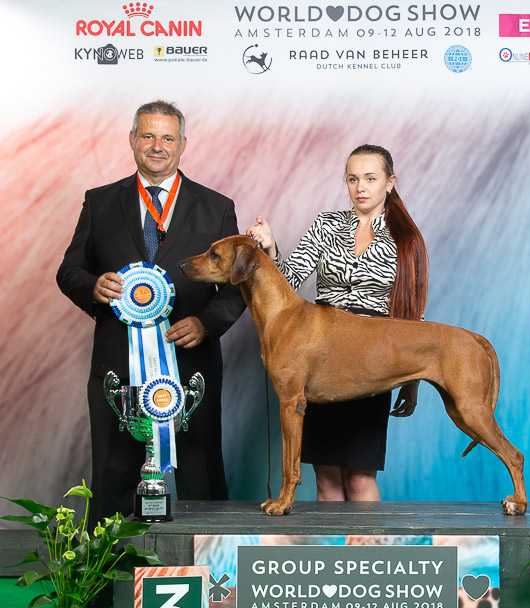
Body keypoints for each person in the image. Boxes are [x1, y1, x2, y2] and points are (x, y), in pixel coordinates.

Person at [57, 100, 246, 525]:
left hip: (192, 371)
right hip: (117, 372)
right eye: (147, 136)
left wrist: (207, 323)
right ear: (132, 140)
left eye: (167, 137)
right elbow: (68, 271)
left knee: (201, 480)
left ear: (183, 144)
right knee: (112, 482)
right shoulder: (99, 202)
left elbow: (238, 288)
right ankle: (110, 570)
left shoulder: (216, 206)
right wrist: (92, 287)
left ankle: (208, 567)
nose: (157, 146)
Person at [247, 144, 429, 502]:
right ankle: (330, 542)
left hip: (372, 358)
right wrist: (269, 248)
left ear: (390, 183)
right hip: (320, 353)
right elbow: (289, 281)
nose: (361, 187)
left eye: (371, 178)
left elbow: (412, 314)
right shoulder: (326, 224)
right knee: (326, 479)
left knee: (360, 478)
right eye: (353, 179)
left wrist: (412, 381)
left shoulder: (405, 237)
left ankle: (370, 542)